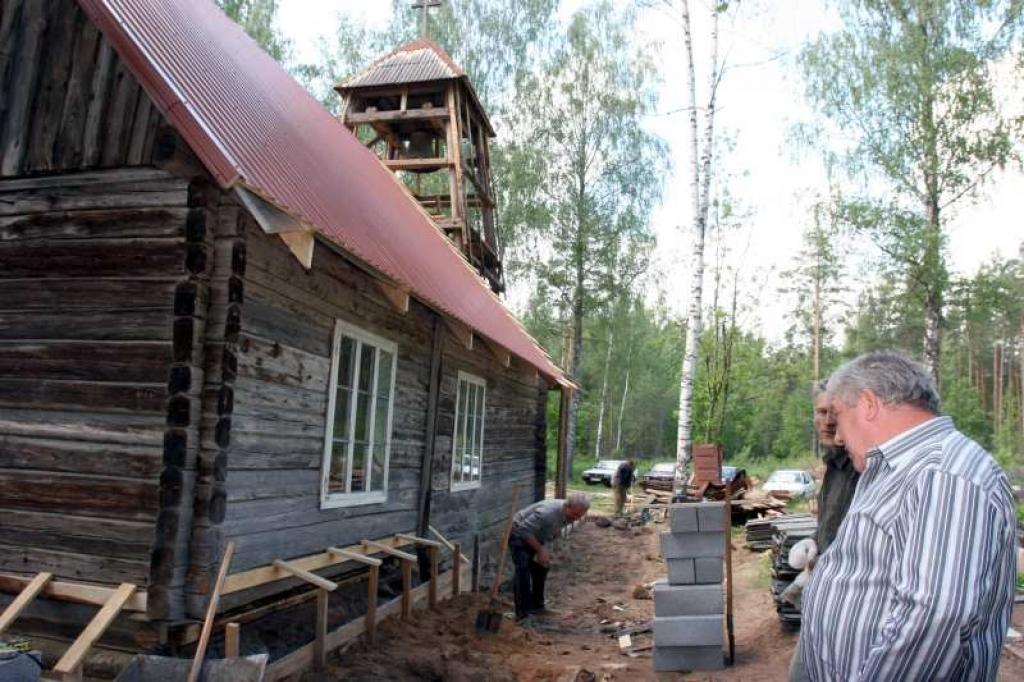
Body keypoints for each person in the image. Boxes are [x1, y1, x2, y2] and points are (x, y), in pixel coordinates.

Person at [798, 352, 1016, 681]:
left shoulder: (943, 474)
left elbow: (936, 617)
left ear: (868, 404)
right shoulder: (900, 470)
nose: (839, 437)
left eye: (840, 416)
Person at [788, 380, 861, 681]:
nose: (828, 421)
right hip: (824, 596)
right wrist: (813, 542)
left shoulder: (861, 466)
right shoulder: (835, 466)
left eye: (835, 412)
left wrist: (816, 570)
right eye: (821, 411)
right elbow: (831, 526)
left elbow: (856, 540)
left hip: (846, 604)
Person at [508, 493, 590, 621]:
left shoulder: (569, 512)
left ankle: (537, 606)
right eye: (574, 515)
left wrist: (545, 549)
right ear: (566, 507)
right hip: (518, 533)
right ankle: (522, 614)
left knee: (542, 567)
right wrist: (540, 550)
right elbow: (523, 530)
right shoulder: (547, 514)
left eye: (580, 516)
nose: (576, 519)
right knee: (522, 571)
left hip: (536, 535)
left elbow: (552, 530)